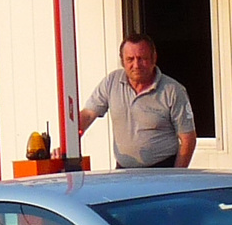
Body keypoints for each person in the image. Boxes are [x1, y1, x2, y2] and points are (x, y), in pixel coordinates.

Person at [78, 34, 197, 168]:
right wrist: (68, 144)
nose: (136, 65)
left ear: (154, 58)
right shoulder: (111, 82)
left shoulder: (173, 91)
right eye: (130, 59)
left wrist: (176, 176)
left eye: (142, 59)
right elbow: (88, 115)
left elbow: (188, 139)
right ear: (122, 61)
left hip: (162, 171)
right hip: (124, 172)